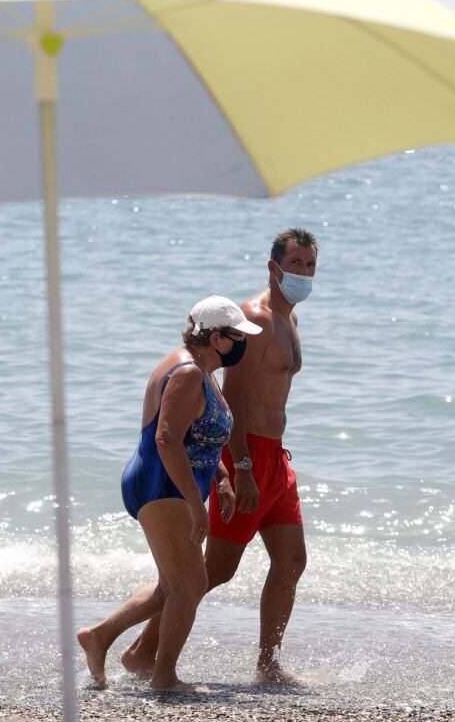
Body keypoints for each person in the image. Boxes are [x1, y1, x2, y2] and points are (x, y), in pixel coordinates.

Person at [123, 228, 318, 685]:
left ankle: (268, 666)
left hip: (276, 459)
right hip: (247, 456)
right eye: (296, 265)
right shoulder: (257, 319)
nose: (305, 274)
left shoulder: (291, 320)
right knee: (212, 571)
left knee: (291, 562)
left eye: (310, 265)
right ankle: (138, 649)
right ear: (274, 268)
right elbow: (236, 399)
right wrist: (242, 469)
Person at [77, 295, 261, 692]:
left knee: (172, 584)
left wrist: (224, 478)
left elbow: (204, 434)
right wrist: (197, 506)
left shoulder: (203, 371)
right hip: (163, 483)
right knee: (190, 586)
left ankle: (100, 637)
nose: (242, 345)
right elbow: (167, 439)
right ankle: (164, 678)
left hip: (175, 484)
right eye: (236, 337)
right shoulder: (188, 373)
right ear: (215, 337)